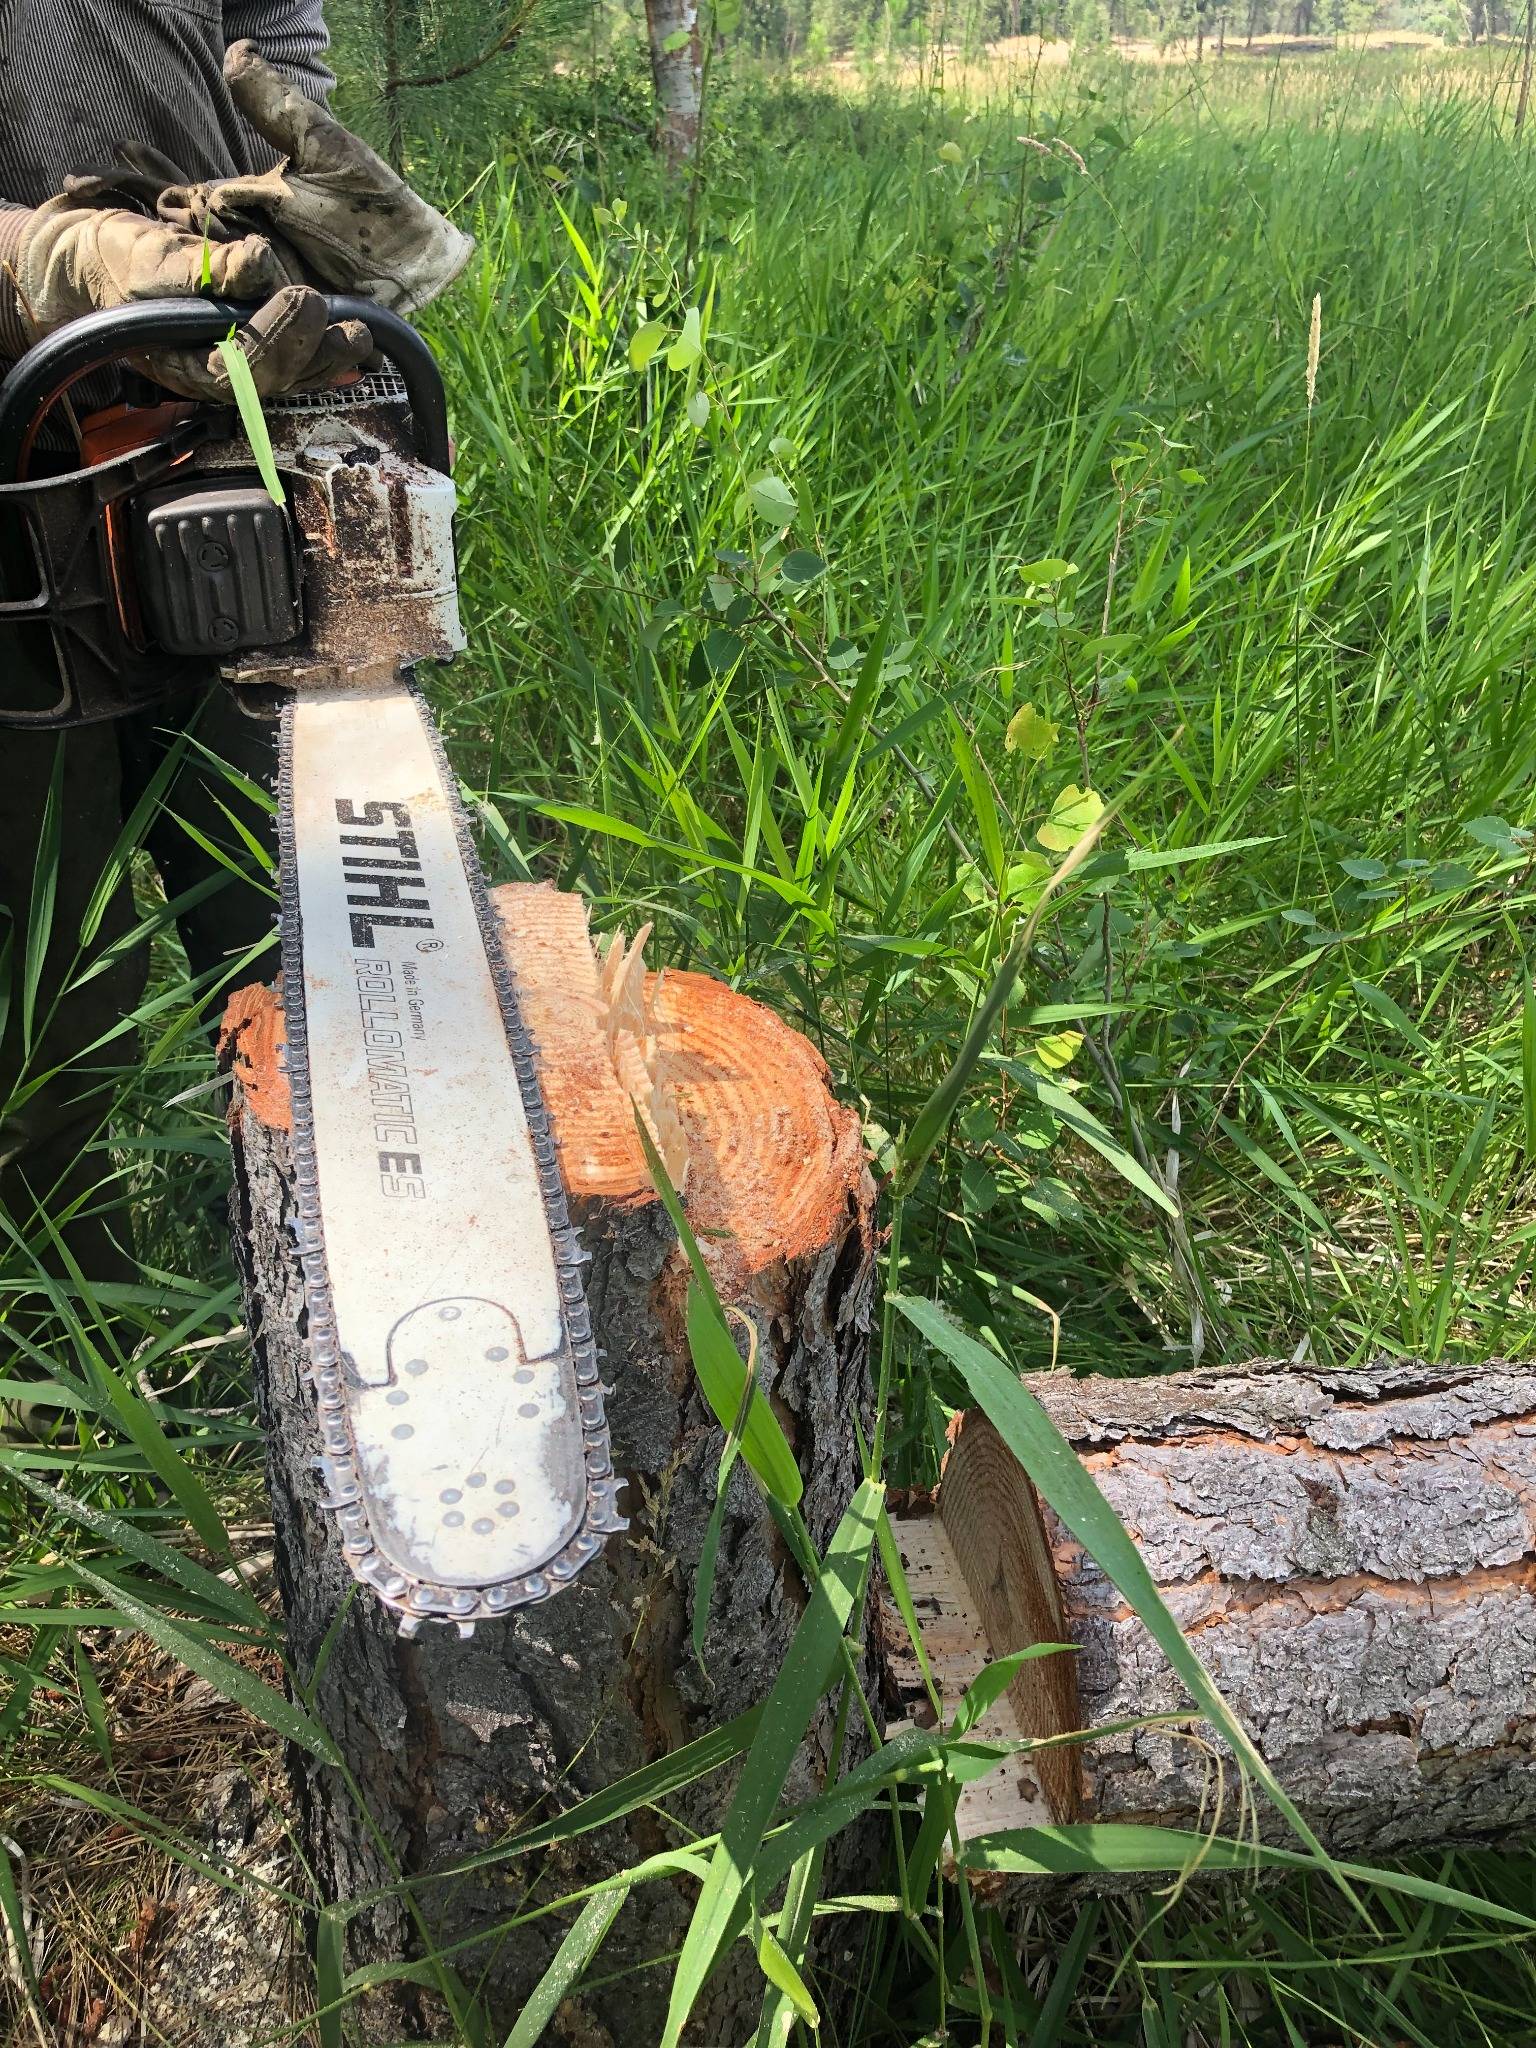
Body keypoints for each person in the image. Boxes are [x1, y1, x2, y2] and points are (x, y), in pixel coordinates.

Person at [0, 12, 473, 1291]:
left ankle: (350, 1285)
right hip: (16, 484)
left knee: (316, 917)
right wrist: (44, 256)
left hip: (222, 420)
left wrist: (279, 205)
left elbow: (273, 39)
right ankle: (80, 1336)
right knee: (39, 999)